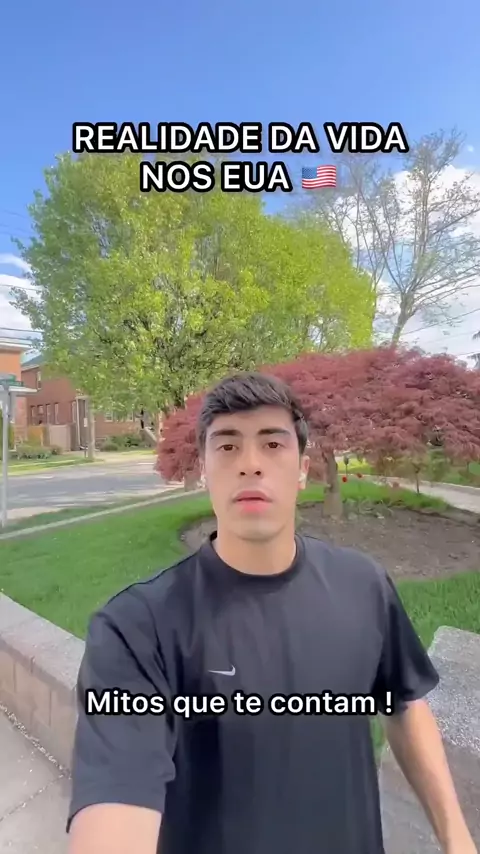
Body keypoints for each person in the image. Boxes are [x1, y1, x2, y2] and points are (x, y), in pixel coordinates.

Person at [67, 371, 476, 854]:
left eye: (273, 444)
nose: (250, 464)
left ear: (302, 468)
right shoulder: (136, 630)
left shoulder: (364, 585)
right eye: (227, 446)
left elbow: (403, 703)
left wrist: (458, 839)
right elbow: (116, 799)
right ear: (204, 468)